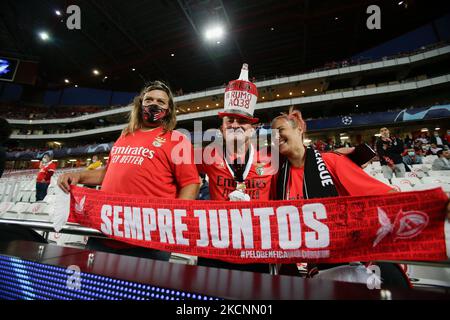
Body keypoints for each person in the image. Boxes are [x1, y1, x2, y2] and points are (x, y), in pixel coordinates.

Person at [58, 81, 200, 261]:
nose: (154, 104)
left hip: (147, 239)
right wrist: (78, 175)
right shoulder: (125, 135)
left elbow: (191, 183)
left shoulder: (177, 140)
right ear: (140, 105)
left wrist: (173, 220)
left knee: (142, 289)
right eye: (149, 100)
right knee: (96, 287)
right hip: (105, 231)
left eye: (161, 102)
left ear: (169, 109)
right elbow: (108, 173)